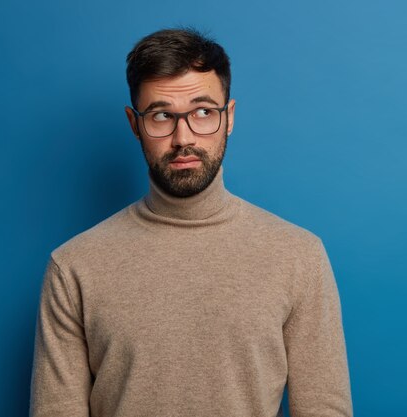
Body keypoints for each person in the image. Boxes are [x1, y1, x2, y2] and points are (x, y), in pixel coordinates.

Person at [29, 28, 353, 417]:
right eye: (162, 115)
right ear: (135, 124)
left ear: (228, 118)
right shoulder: (74, 266)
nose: (183, 137)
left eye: (203, 112)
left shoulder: (299, 256)